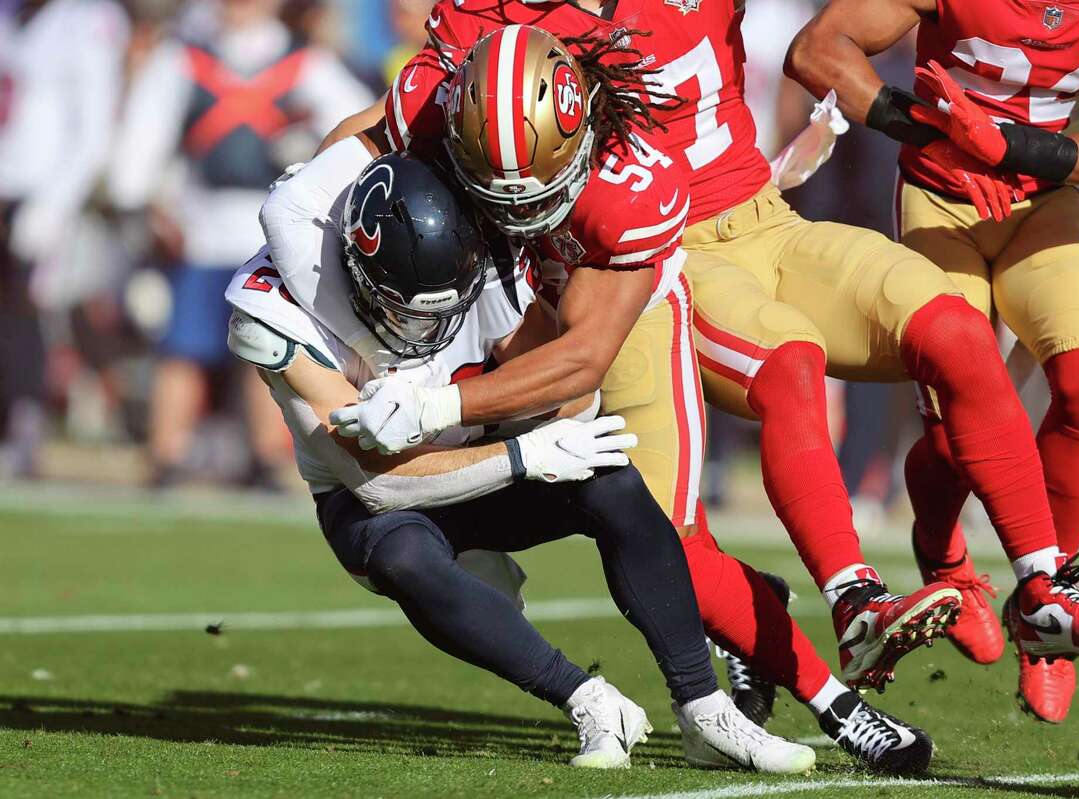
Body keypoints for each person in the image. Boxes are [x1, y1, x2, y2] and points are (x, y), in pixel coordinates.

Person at [265, 26, 935, 772]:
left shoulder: (617, 195)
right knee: (446, 541)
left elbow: (577, 366)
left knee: (647, 514)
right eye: (493, 193)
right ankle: (691, 646)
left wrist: (447, 411)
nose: (517, 215)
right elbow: (305, 200)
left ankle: (816, 708)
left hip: (602, 331)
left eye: (535, 194)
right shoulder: (327, 254)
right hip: (418, 465)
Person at [228, 149, 824, 772]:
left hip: (482, 454)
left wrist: (515, 430)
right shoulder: (277, 312)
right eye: (406, 308)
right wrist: (521, 455)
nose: (425, 328)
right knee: (401, 554)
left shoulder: (480, 255)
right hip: (383, 496)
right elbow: (379, 486)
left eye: (445, 307)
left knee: (611, 478)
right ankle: (588, 699)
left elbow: (572, 393)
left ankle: (706, 711)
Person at [786, 0, 1079, 723]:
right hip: (942, 195)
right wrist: (937, 137)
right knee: (958, 426)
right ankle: (943, 557)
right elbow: (817, 50)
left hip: (1044, 200)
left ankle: (1045, 622)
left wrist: (1009, 148)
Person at [107, 0, 373, 489]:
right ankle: (167, 453)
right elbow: (142, 141)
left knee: (273, 347)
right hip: (199, 226)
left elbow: (361, 128)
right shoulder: (186, 58)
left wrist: (315, 165)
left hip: (277, 230)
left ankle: (268, 456)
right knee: (183, 347)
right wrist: (142, 201)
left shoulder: (305, 62)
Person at [0, 0, 129, 477]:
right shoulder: (12, 18)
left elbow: (93, 128)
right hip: (6, 184)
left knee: (26, 311)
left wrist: (53, 205)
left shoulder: (85, 19)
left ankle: (25, 427)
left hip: (42, 190)